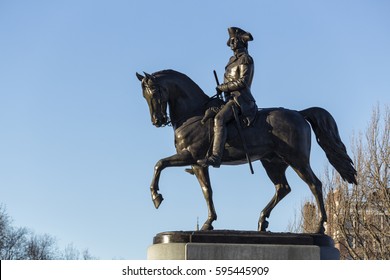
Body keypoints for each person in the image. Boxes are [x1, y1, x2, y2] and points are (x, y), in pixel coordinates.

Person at [198, 27, 258, 168]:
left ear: (241, 42)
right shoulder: (232, 60)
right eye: (230, 41)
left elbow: (243, 82)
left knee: (220, 118)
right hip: (229, 99)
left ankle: (216, 158)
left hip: (241, 100)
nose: (231, 43)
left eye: (234, 40)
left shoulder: (245, 59)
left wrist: (223, 87)